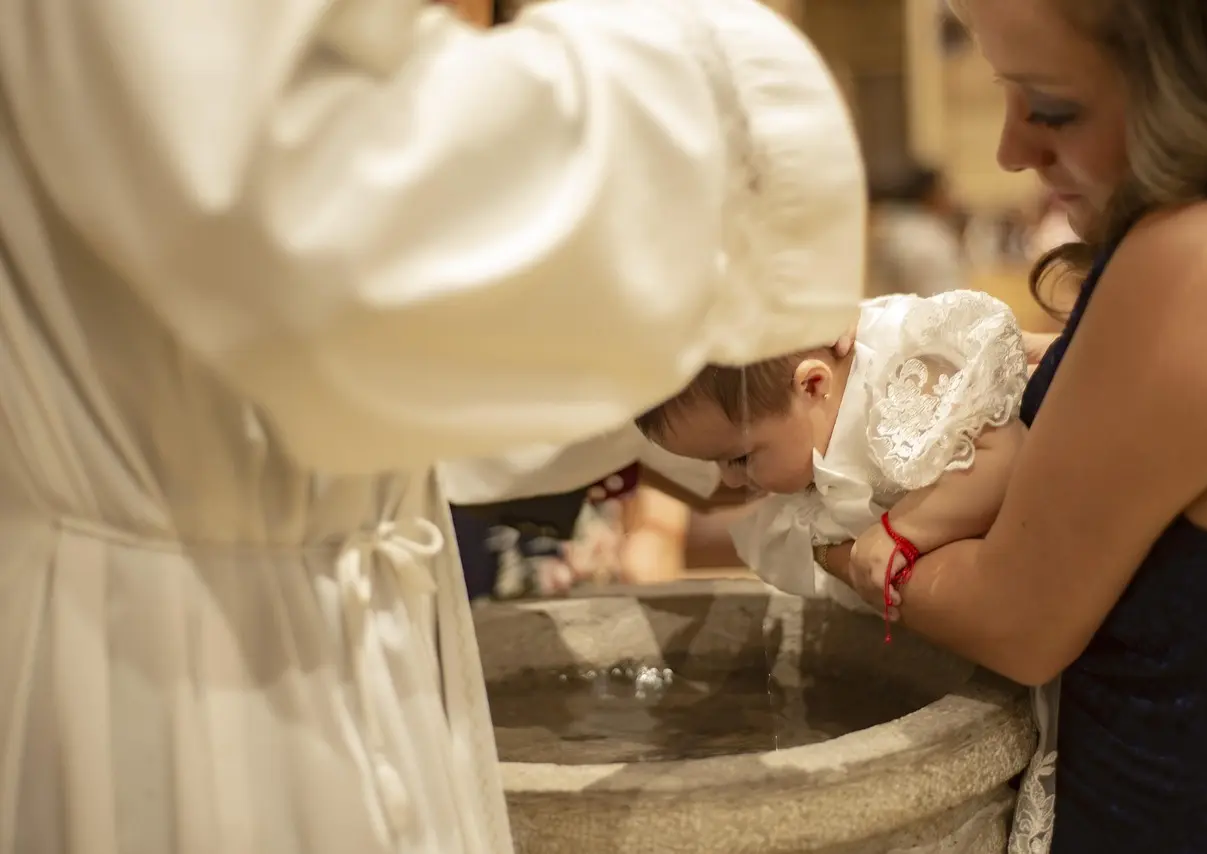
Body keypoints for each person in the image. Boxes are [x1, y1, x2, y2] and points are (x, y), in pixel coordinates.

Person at [0, 0, 868, 851]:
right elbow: (314, 207)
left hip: (292, 577)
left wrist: (703, 424)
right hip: (191, 651)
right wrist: (731, 80)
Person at [821, 1, 1207, 851]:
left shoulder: (1201, 265)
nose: (1010, 151)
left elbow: (1015, 621)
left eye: (1053, 107)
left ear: (1195, 78)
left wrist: (824, 545)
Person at [634, 289, 1058, 851]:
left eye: (738, 457)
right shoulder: (790, 415)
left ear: (813, 384)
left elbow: (1000, 458)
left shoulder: (906, 368)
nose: (732, 479)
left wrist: (902, 532)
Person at [867, 165, 966, 298]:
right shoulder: (927, 238)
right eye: (945, 191)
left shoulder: (889, 228)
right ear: (931, 195)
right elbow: (942, 296)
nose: (951, 199)